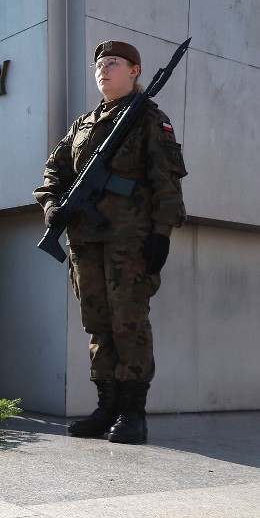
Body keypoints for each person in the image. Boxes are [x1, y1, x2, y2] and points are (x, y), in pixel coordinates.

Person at [34, 40, 188, 444]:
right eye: (99, 64)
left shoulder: (149, 118)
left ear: (135, 71)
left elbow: (166, 182)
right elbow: (53, 173)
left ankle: (133, 414)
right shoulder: (83, 125)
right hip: (86, 240)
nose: (103, 69)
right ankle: (107, 407)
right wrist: (53, 208)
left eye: (114, 63)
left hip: (130, 240)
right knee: (98, 325)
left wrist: (161, 232)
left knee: (129, 324)